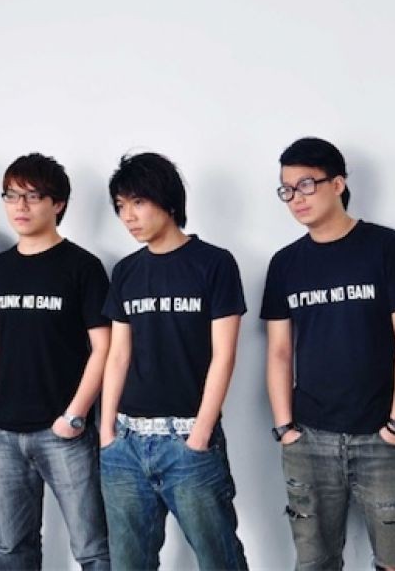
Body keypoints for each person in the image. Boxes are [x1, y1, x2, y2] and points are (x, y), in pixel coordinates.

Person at [261, 137, 395, 571]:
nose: (296, 198)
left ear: (338, 184)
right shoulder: (284, 264)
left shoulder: (385, 247)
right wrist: (285, 428)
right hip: (309, 438)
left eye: (306, 184)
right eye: (287, 190)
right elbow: (279, 351)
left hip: (381, 436)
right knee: (314, 562)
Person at [100, 152, 248, 570]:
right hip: (125, 444)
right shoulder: (126, 271)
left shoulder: (214, 263)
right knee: (128, 564)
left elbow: (224, 355)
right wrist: (106, 433)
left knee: (219, 561)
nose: (128, 216)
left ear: (167, 200)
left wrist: (200, 434)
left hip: (187, 443)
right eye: (120, 206)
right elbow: (118, 355)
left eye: (138, 202)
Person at [0, 153, 110, 571]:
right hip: (2, 433)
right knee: (12, 549)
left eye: (33, 196)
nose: (20, 206)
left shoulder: (82, 267)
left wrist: (75, 415)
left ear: (58, 204)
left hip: (63, 432)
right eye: (11, 195)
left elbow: (103, 347)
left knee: (92, 549)